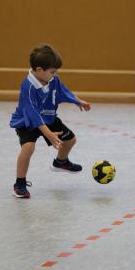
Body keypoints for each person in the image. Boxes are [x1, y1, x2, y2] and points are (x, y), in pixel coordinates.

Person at [10, 44, 91, 198]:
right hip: (27, 121)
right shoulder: (28, 87)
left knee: (70, 140)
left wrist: (77, 101)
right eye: (52, 71)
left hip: (48, 117)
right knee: (28, 148)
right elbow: (33, 115)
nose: (55, 75)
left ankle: (60, 162)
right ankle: (19, 184)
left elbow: (63, 91)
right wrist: (49, 135)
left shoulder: (52, 79)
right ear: (39, 70)